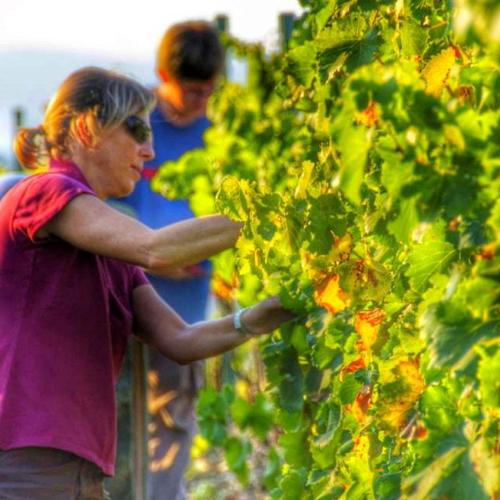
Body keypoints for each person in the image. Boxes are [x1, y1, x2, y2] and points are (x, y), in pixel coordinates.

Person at [0, 66, 292, 499]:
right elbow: (157, 249)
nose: (149, 151)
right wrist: (266, 213)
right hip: (26, 459)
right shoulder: (42, 192)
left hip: (81, 470)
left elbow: (179, 338)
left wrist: (264, 316)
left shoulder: (111, 249)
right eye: (137, 130)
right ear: (86, 128)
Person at [118, 21, 225, 499]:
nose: (201, 101)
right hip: (120, 293)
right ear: (163, 74)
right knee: (117, 408)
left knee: (173, 414)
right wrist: (154, 255)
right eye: (192, 91)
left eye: (208, 91)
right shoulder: (132, 122)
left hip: (184, 303)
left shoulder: (221, 136)